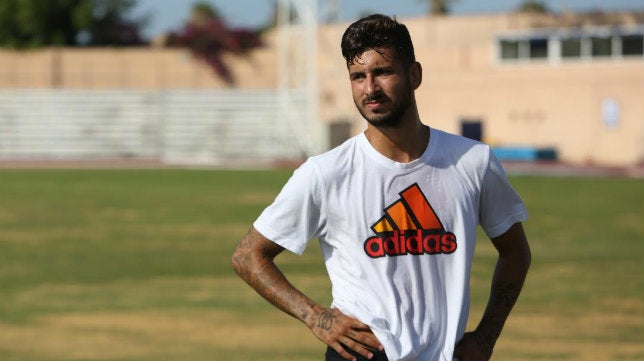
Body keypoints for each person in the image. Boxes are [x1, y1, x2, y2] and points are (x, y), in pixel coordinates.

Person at [232, 14, 531, 361]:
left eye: (383, 72)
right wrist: (316, 317)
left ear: (414, 75)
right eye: (358, 77)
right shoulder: (325, 173)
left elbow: (515, 252)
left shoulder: (473, 161)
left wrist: (486, 337)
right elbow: (247, 256)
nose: (369, 89)